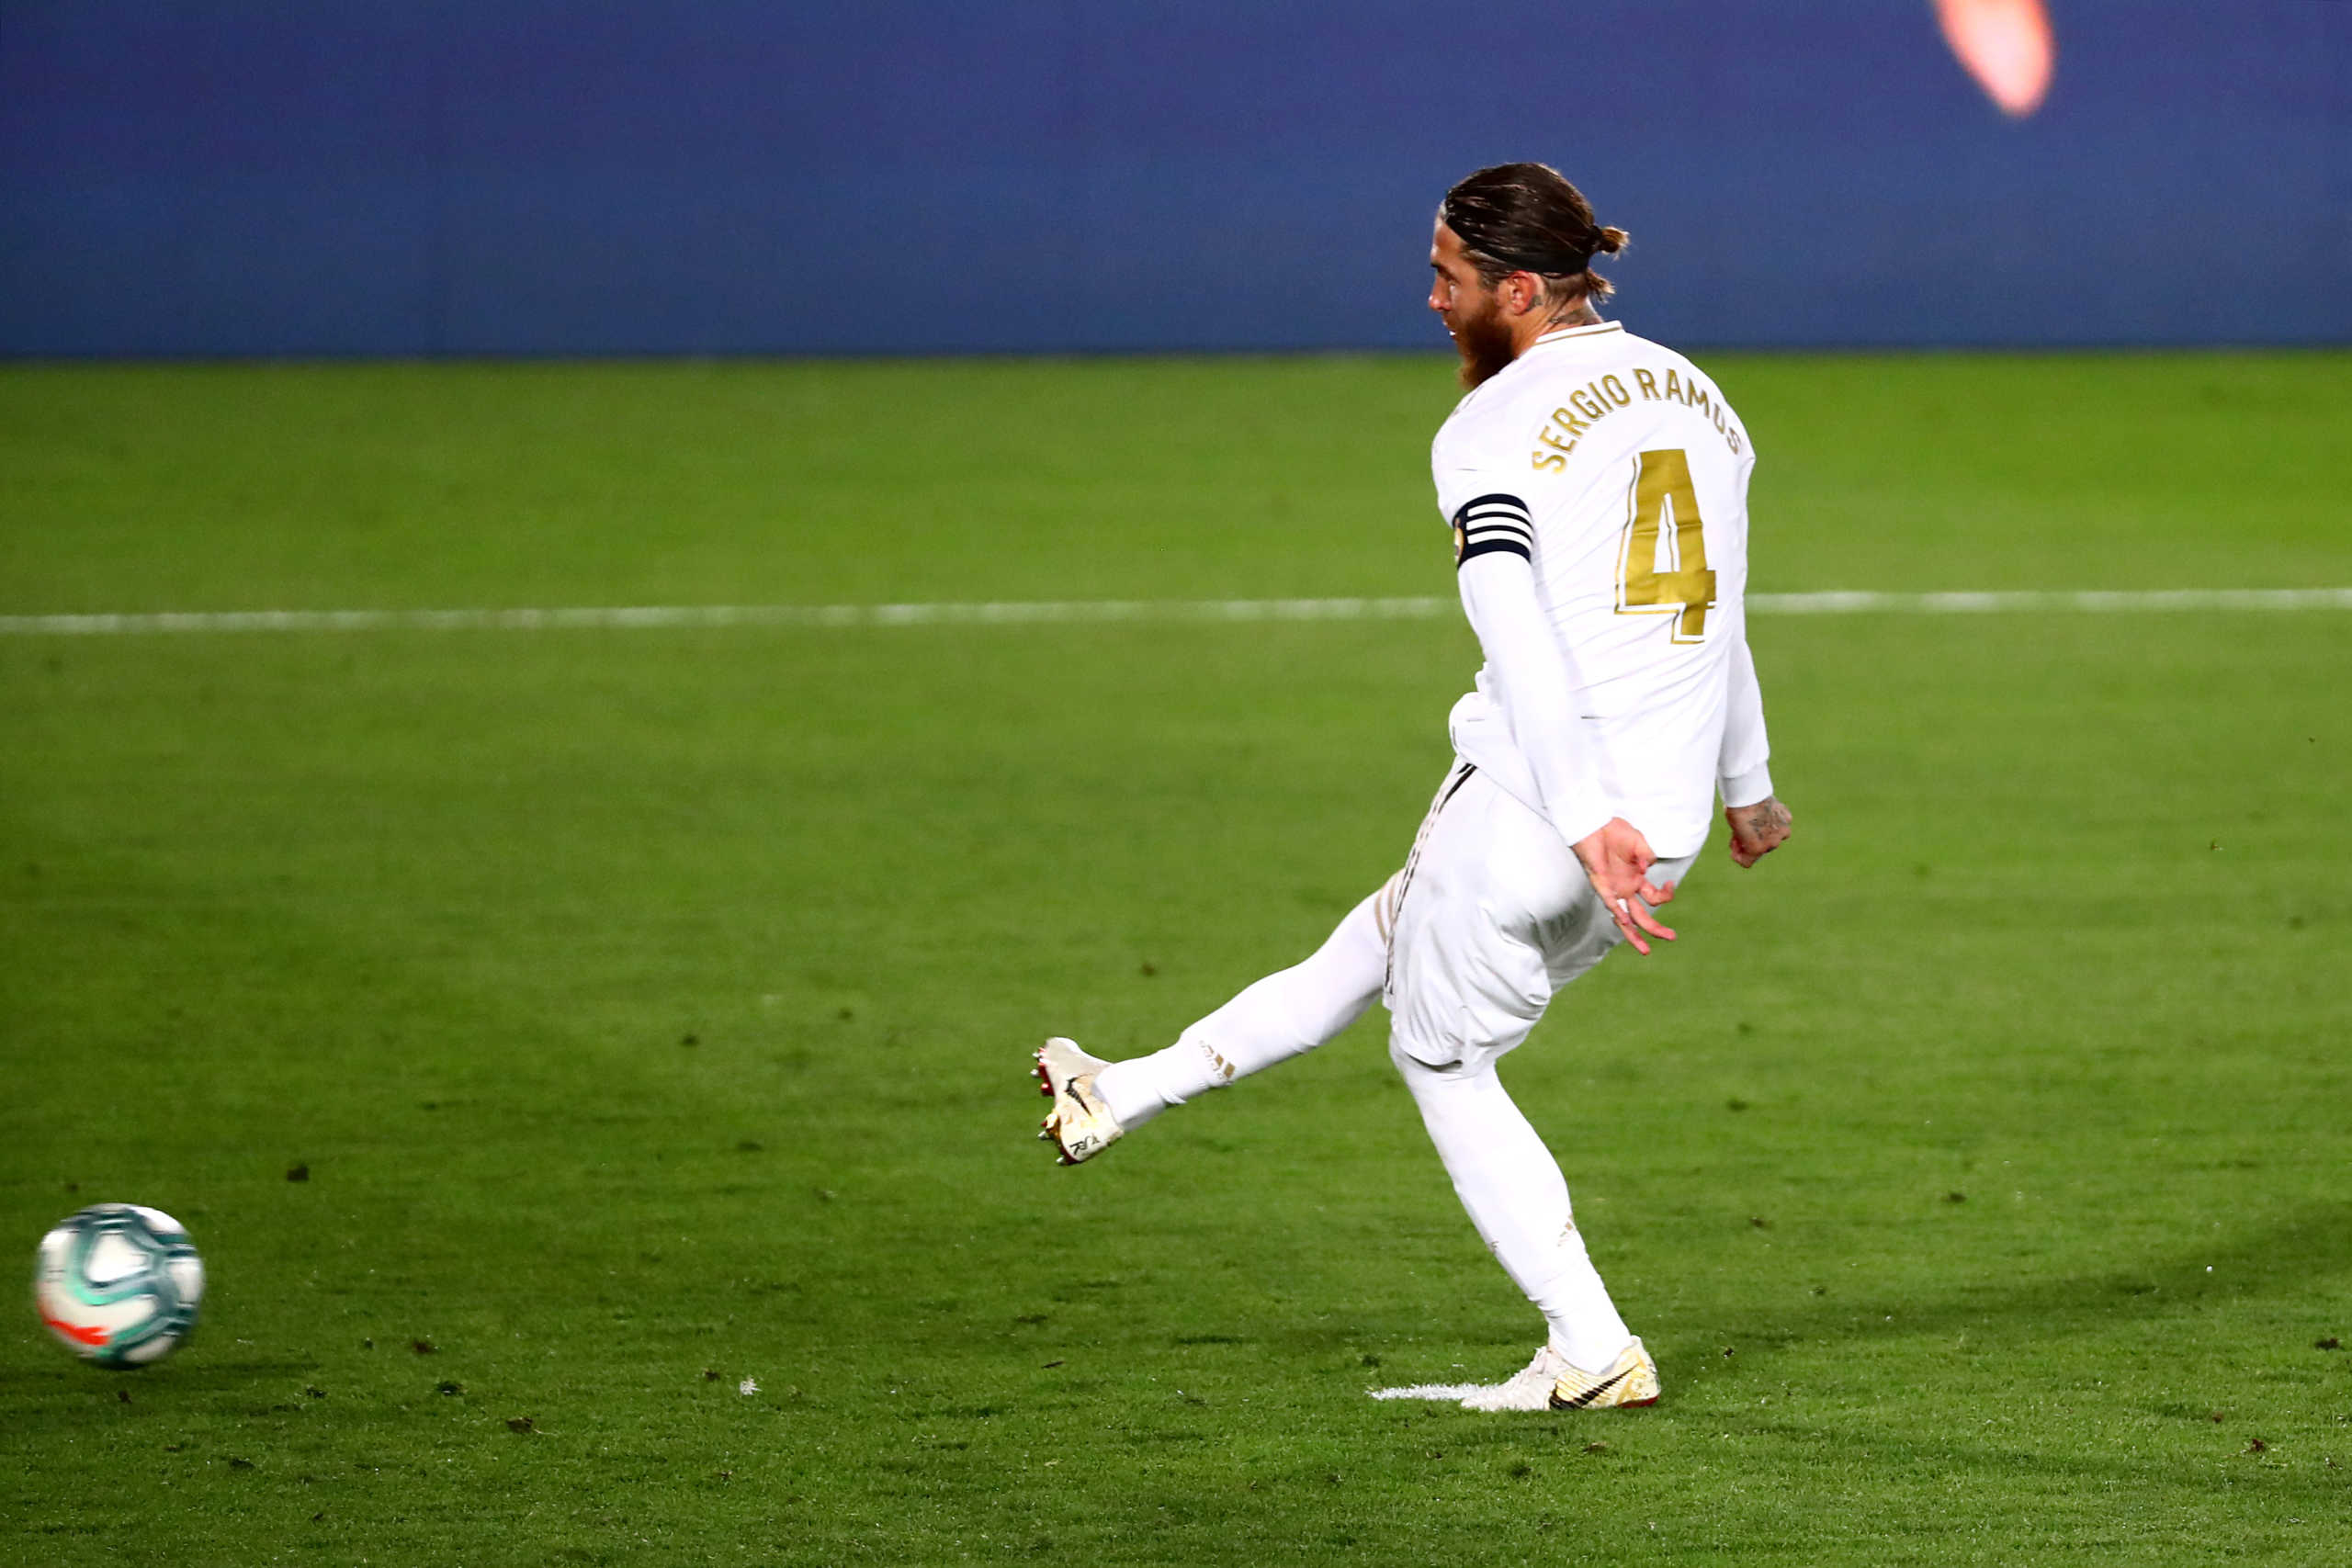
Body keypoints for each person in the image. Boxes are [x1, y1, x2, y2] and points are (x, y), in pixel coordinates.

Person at [1034, 163, 1793, 1412]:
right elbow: (1715, 620)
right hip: (1653, 841)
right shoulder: (1705, 403)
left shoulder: (1488, 430)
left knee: (1443, 1062)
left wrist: (1576, 814)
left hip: (1543, 819)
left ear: (1525, 289)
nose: (1431, 296)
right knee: (1389, 937)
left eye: (1450, 276)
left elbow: (1519, 636)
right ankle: (1118, 1093)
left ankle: (1590, 1345)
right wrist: (1747, 786)